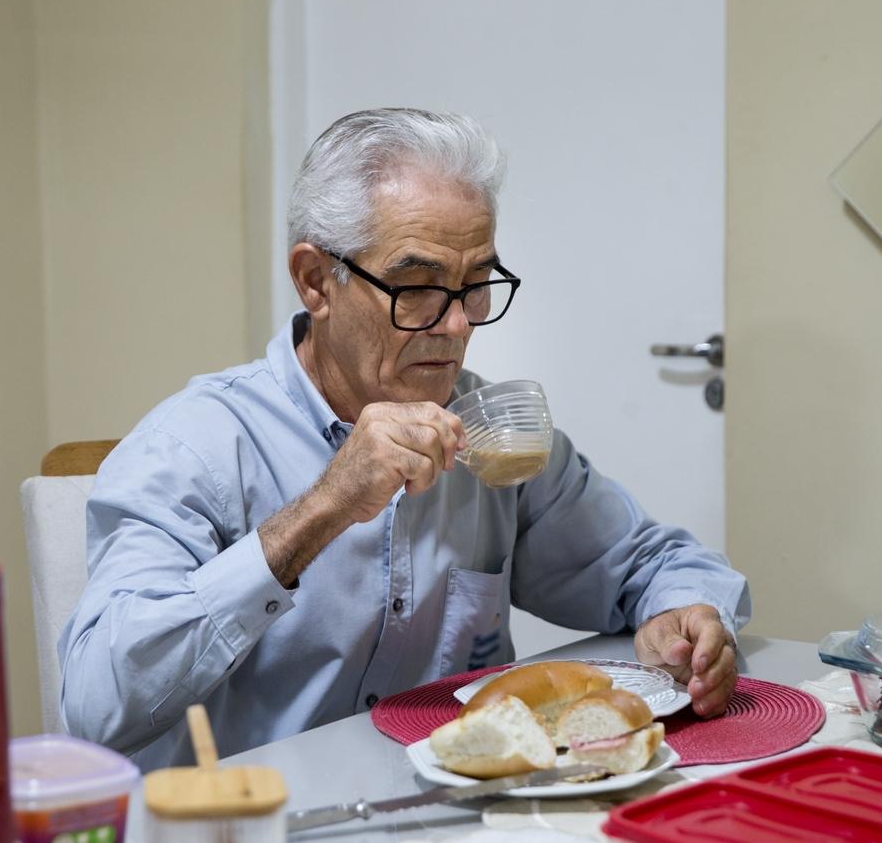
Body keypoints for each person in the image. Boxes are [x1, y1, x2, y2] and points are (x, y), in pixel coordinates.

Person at [58, 108, 751, 771]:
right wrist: (325, 505)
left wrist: (684, 617)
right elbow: (95, 704)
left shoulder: (486, 430)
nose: (456, 326)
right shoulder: (197, 446)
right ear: (314, 281)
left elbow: (650, 563)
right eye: (416, 287)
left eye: (476, 284)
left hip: (447, 814)